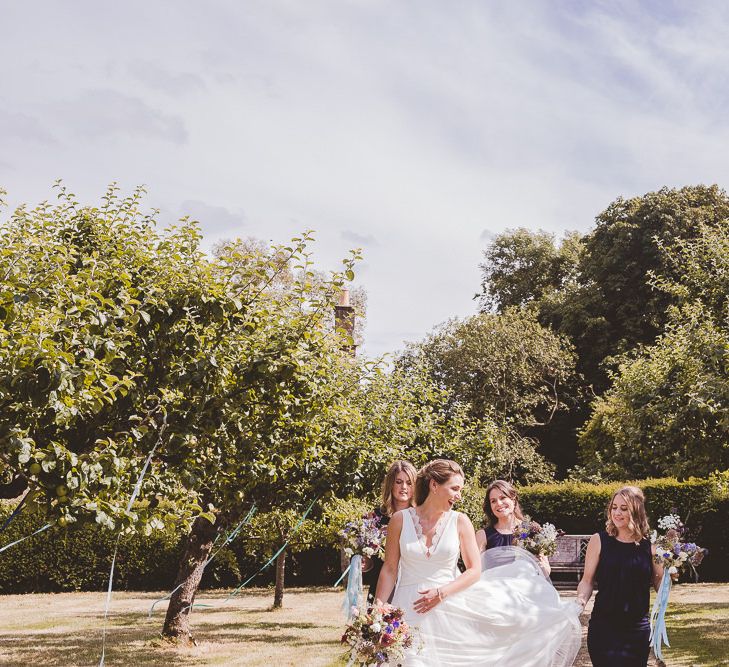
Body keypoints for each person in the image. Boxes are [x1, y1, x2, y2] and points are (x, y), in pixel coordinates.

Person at [375, 459, 581, 666]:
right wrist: (378, 607)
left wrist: (441, 593)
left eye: (460, 490)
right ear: (434, 485)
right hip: (407, 607)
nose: (459, 495)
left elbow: (475, 570)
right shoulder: (400, 520)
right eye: (454, 488)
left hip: (448, 607)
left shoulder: (460, 521)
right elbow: (390, 569)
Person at [576, 486, 664, 667]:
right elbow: (587, 581)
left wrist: (671, 573)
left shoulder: (651, 547)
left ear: (636, 511)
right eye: (614, 507)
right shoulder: (598, 540)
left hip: (637, 630)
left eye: (624, 508)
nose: (617, 512)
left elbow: (659, 582)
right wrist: (580, 602)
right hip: (603, 627)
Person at [362, 460, 417, 602]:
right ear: (390, 484)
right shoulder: (374, 518)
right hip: (382, 586)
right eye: (399, 482)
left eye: (409, 483)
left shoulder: (420, 517)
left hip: (412, 585)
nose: (404, 487)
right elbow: (369, 563)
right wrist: (364, 563)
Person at [475, 478, 551, 577]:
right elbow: (476, 571)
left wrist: (539, 563)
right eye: (493, 501)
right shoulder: (482, 535)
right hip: (493, 588)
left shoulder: (532, 531)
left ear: (513, 499)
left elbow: (546, 572)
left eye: (502, 498)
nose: (498, 503)